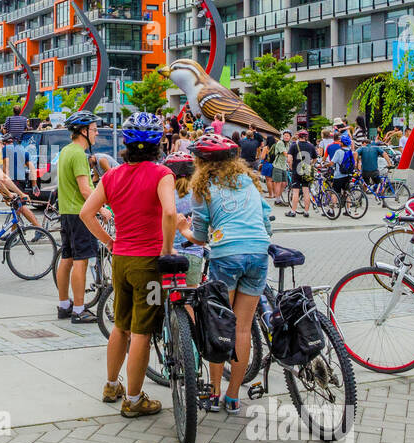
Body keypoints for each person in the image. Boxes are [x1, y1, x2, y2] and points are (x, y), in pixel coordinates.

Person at [79, 112, 173, 419]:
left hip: (120, 259)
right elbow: (170, 214)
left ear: (126, 144)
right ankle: (133, 399)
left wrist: (109, 241)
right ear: (159, 143)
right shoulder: (163, 175)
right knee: (142, 332)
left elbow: (86, 213)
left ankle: (111, 385)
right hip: (149, 263)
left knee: (120, 324)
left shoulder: (111, 177)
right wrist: (167, 250)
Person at [187, 133, 273, 413]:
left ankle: (213, 393)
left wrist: (184, 232)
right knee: (243, 328)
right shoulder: (249, 181)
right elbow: (265, 219)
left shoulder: (202, 187)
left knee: (219, 324)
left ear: (201, 162)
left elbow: (200, 234)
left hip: (227, 255)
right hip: (259, 252)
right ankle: (234, 397)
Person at [54, 111, 105, 325]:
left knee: (66, 259)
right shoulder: (78, 154)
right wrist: (101, 209)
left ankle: (64, 304)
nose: (96, 133)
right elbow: (85, 190)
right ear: (83, 132)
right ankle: (79, 310)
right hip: (79, 214)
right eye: (93, 130)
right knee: (81, 261)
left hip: (66, 212)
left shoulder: (66, 151)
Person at [163, 150, 206, 287]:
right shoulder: (200, 194)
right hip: (193, 253)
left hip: (166, 253)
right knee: (189, 300)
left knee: (160, 297)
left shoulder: (164, 194)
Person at [286, 129, 316, 217]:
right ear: (306, 137)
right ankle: (306, 212)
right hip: (306, 171)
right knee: (306, 191)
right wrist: (311, 164)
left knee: (295, 192)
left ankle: (293, 211)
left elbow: (289, 159)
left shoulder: (294, 145)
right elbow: (315, 158)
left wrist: (291, 167)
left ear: (299, 136)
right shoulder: (311, 146)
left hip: (296, 170)